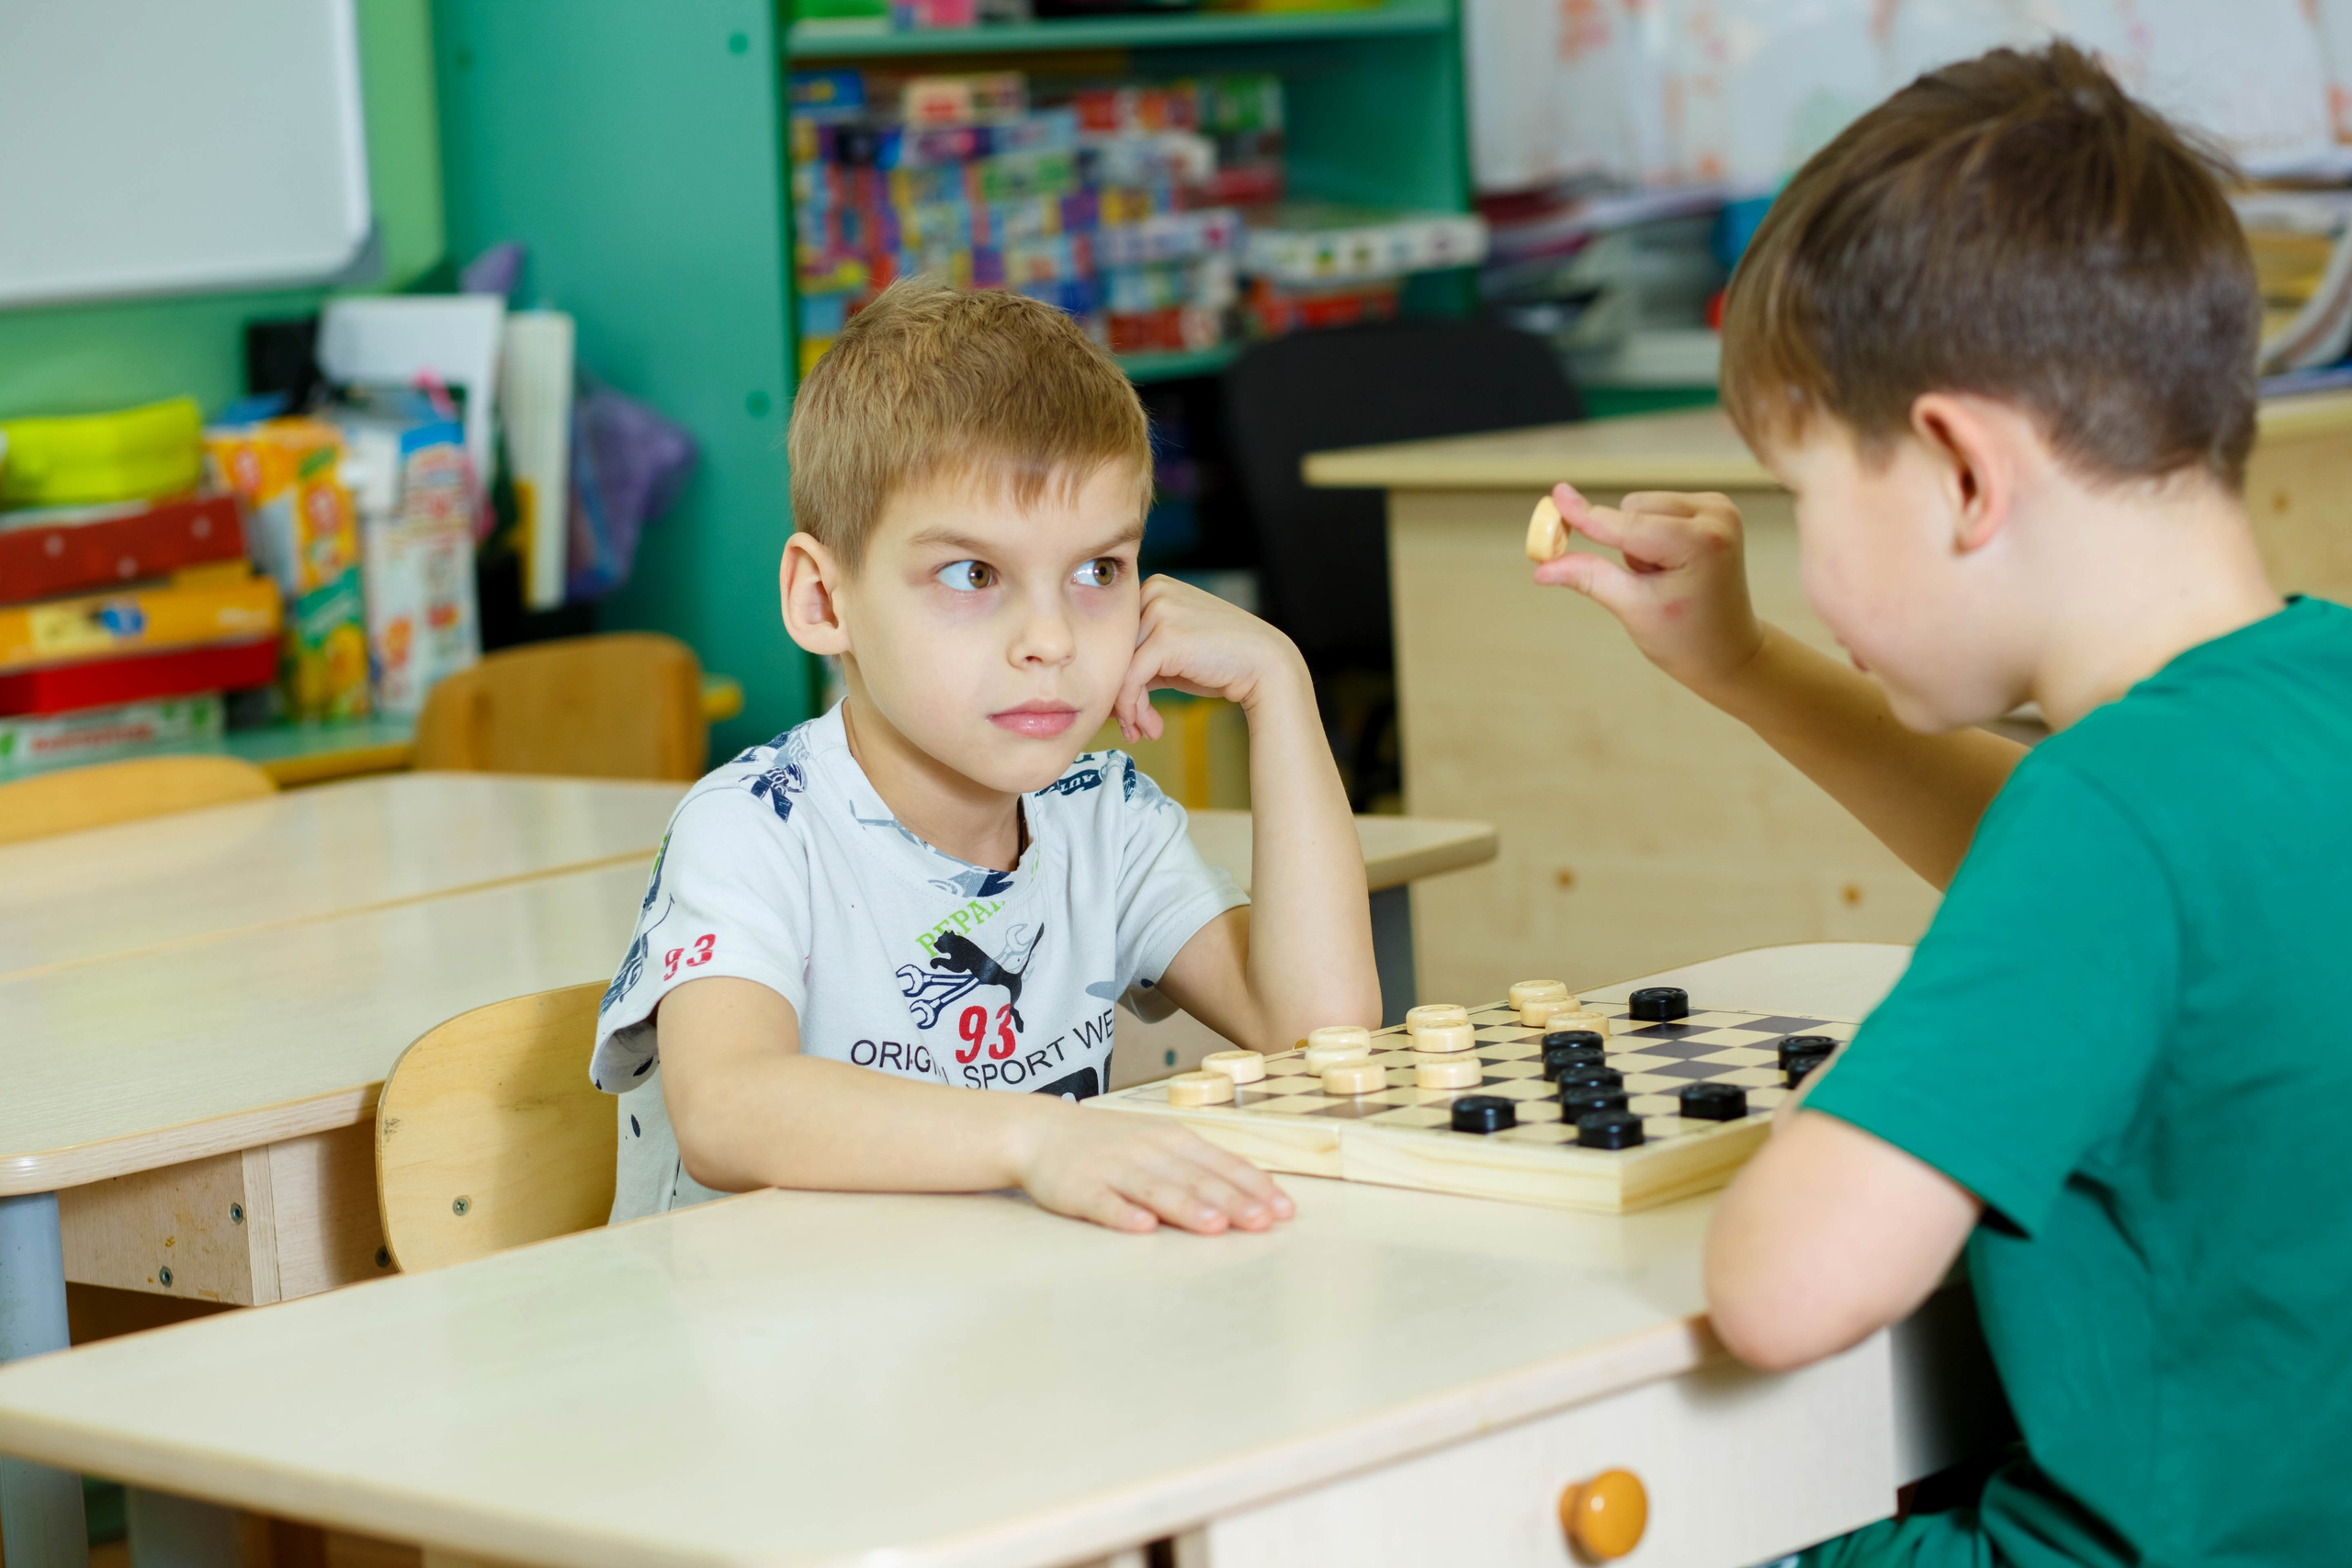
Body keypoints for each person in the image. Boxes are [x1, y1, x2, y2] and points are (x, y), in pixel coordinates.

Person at [1536, 42, 2352, 1568]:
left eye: (1806, 498)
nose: (1809, 563)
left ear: (1961, 471)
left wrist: (1900, 1088)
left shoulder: (2110, 818)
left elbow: (1788, 1290)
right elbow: (2130, 888)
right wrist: (1749, 665)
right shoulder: (2306, 695)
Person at [593, 280, 1380, 1235]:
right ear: (822, 601)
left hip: (985, 1328)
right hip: (752, 1342)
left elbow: (1321, 1040)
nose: (1050, 638)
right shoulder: (756, 824)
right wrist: (1037, 1138)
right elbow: (728, 1109)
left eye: (1098, 571)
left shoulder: (1105, 817)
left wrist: (1279, 686)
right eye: (972, 574)